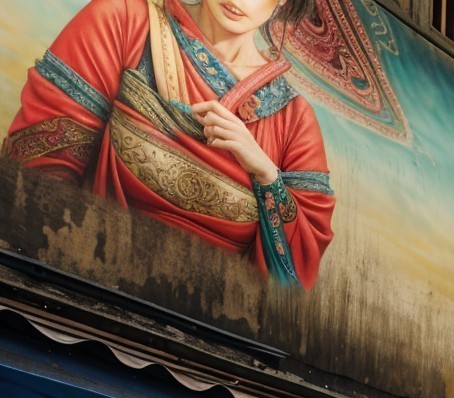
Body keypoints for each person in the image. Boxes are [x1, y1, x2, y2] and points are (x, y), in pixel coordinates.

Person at [4, 0, 335, 288]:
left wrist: (266, 176)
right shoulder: (123, 23)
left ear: (284, 2)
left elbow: (295, 276)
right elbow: (39, 168)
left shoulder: (294, 119)